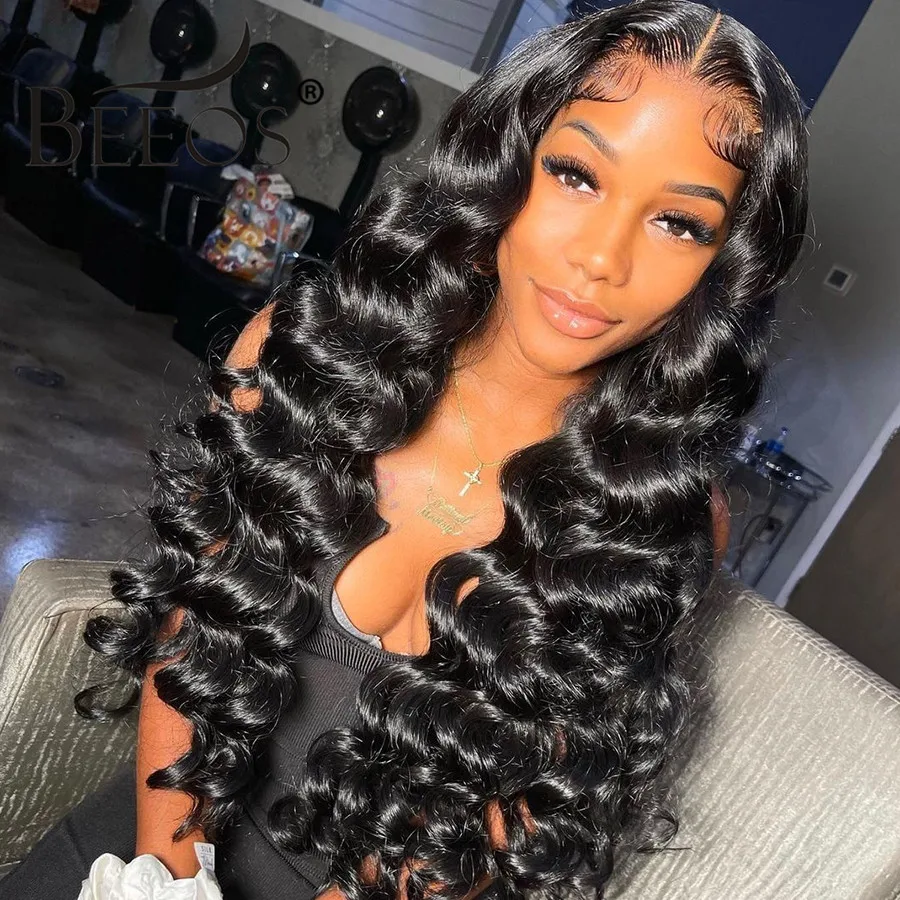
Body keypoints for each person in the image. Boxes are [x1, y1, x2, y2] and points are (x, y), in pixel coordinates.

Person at [0, 2, 808, 898]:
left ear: (724, 266)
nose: (601, 259)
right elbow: (194, 629)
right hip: (149, 850)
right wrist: (166, 876)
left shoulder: (659, 515)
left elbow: (506, 816)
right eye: (577, 175)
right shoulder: (306, 353)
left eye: (680, 223)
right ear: (508, 159)